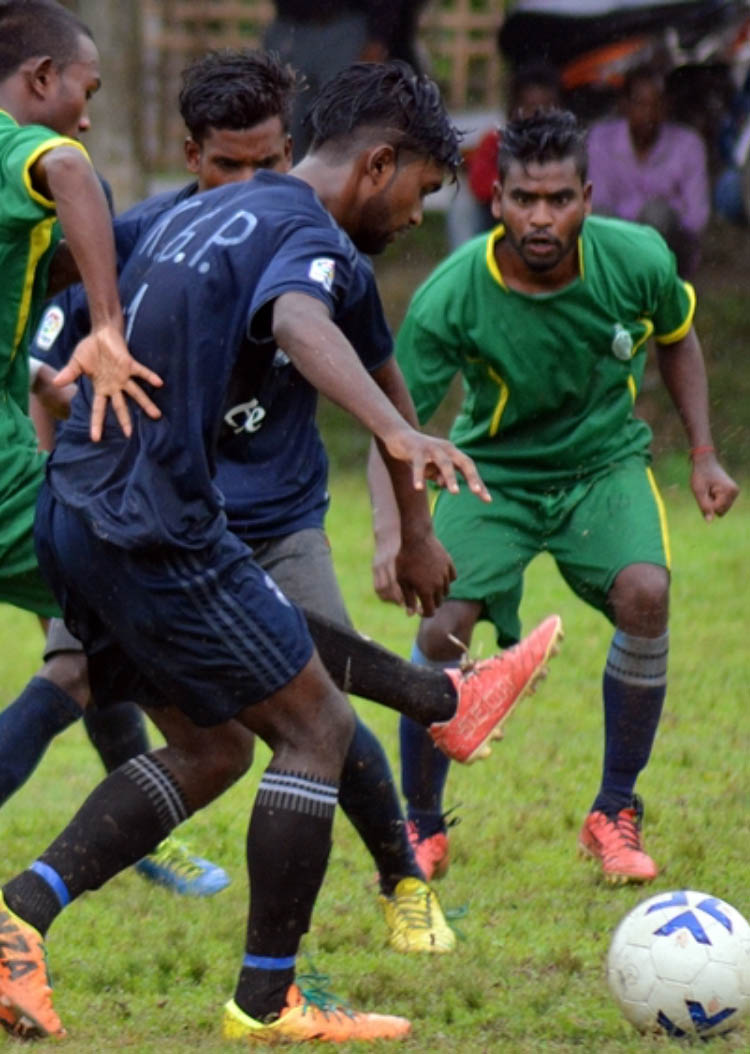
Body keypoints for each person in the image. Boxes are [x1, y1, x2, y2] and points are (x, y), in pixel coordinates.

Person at [0, 62, 563, 1044]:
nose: (419, 214)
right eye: (423, 191)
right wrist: (395, 431)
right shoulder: (309, 232)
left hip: (80, 505)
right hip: (150, 520)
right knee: (316, 729)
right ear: (379, 162)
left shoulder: (199, 210)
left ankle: (17, 919)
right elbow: (301, 320)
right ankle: (268, 999)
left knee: (215, 744)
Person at [369, 108, 738, 889]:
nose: (542, 217)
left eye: (560, 199)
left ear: (588, 198)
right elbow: (394, 425)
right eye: (526, 199)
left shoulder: (636, 258)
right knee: (442, 627)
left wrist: (703, 453)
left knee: (647, 593)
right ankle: (423, 823)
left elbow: (677, 335)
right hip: (491, 470)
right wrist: (389, 536)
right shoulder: (456, 292)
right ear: (495, 199)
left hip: (603, 464)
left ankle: (614, 811)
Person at [0, 1, 224, 898]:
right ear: (41, 80)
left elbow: (42, 257)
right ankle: (430, 698)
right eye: (84, 91)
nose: (86, 115)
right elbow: (68, 168)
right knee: (153, 593)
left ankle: (141, 828)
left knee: (98, 638)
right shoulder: (24, 146)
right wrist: (106, 325)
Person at [587, 65, 710, 278]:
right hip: (619, 242)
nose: (648, 114)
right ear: (624, 105)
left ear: (667, 107)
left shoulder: (688, 144)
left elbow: (697, 217)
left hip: (669, 245)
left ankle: (657, 279)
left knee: (657, 215)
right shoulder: (601, 141)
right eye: (640, 104)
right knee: (598, 219)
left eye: (656, 105)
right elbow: (598, 203)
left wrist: (655, 219)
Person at [264, 1, 415, 158]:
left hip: (343, 29)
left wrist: (378, 37)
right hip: (289, 29)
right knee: (287, 127)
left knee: (344, 126)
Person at [466, 65, 561, 232]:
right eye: (530, 108)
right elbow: (479, 186)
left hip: (553, 222)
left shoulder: (566, 148)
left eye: (547, 108)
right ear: (512, 109)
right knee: (463, 206)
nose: (538, 116)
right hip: (500, 221)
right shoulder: (495, 142)